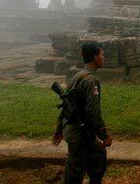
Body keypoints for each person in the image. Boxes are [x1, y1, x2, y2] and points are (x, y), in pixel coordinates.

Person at [53, 42, 112, 184]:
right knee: (75, 173)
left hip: (77, 131)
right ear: (94, 57)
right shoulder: (92, 81)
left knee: (98, 156)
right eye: (102, 55)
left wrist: (59, 129)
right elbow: (93, 113)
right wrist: (104, 136)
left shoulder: (77, 76)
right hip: (79, 134)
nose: (103, 58)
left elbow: (67, 104)